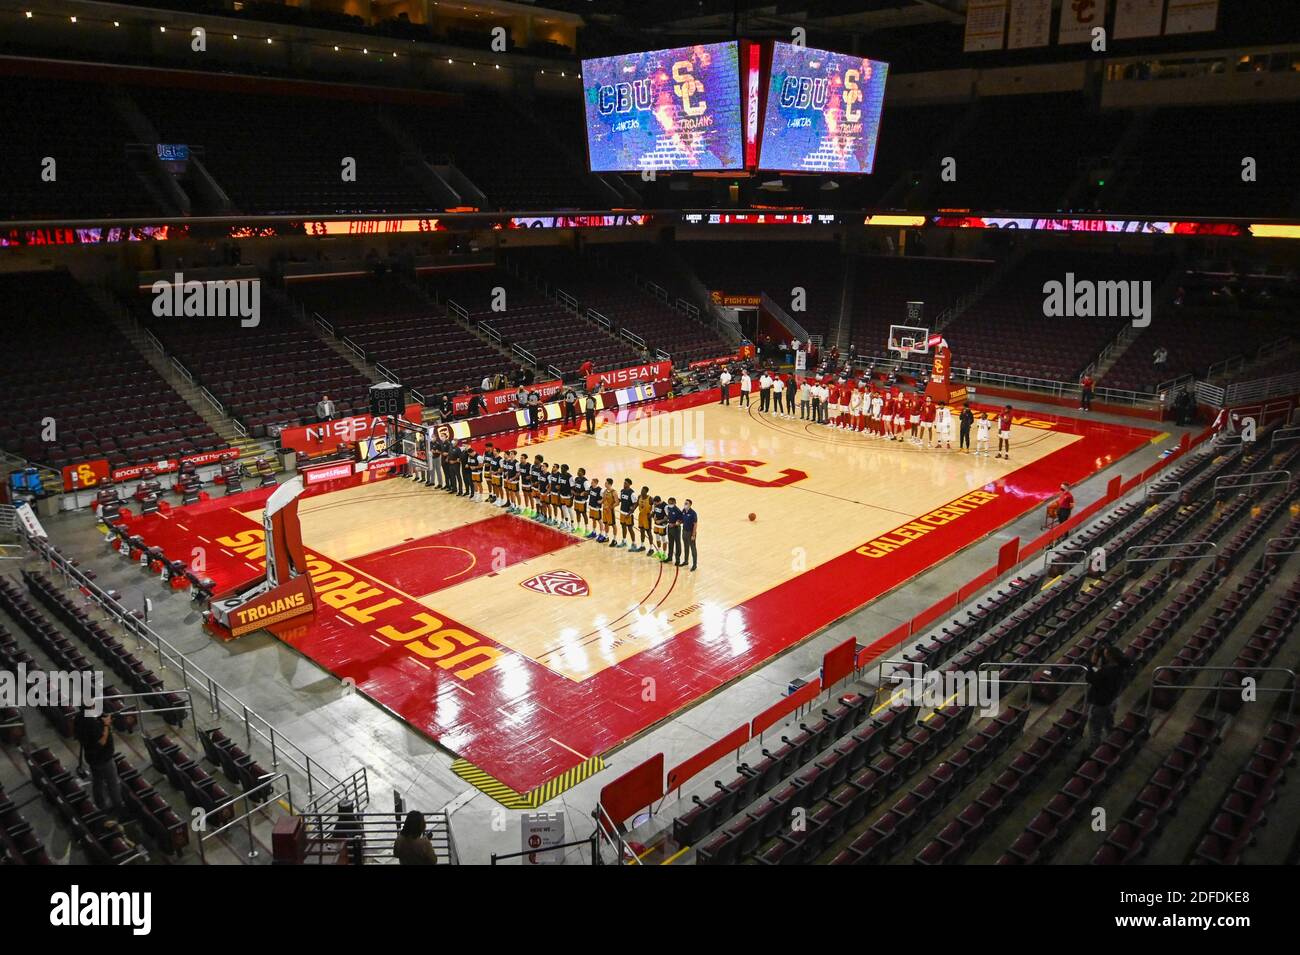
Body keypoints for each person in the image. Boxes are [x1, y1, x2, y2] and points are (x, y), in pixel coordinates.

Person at [77, 710, 125, 819]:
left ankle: (101, 806)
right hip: (103, 758)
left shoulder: (79, 717)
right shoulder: (91, 722)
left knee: (97, 782)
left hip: (91, 757)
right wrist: (106, 725)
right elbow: (102, 742)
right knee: (113, 784)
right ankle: (119, 810)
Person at [1085, 646, 1127, 749]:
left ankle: (1094, 751)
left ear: (1110, 657)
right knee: (1109, 724)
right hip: (1112, 701)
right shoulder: (1120, 668)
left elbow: (1090, 678)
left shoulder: (1106, 671)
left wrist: (1092, 663)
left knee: (1095, 729)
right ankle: (1112, 744)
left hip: (1100, 704)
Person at [617, 478, 637, 549]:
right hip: (622, 512)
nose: (624, 484)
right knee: (623, 527)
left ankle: (634, 543)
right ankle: (624, 541)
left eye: (625, 483)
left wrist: (630, 513)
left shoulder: (632, 493)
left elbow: (635, 503)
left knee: (630, 528)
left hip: (628, 514)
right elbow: (619, 500)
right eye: (624, 483)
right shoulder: (622, 491)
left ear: (629, 484)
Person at [680, 499, 698, 571]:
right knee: (685, 546)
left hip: (691, 532)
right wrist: (679, 522)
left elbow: (695, 524)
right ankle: (686, 561)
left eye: (686, 503)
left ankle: (694, 564)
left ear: (690, 505)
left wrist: (693, 534)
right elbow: (682, 520)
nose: (685, 504)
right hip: (684, 531)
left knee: (693, 548)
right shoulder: (683, 511)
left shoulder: (693, 513)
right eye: (685, 503)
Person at [665, 497, 683, 566]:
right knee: (670, 543)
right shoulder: (668, 508)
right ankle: (669, 557)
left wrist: (674, 524)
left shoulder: (677, 510)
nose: (669, 504)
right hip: (669, 527)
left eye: (671, 503)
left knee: (677, 544)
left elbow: (681, 520)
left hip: (676, 529)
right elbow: (668, 516)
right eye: (669, 503)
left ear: (675, 503)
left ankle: (677, 559)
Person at [636, 486, 653, 555]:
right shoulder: (639, 496)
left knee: (648, 532)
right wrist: (631, 511)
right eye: (641, 490)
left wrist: (651, 515)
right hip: (641, 516)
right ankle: (642, 545)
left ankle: (651, 548)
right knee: (641, 531)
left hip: (647, 517)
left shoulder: (650, 498)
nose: (641, 491)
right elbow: (636, 504)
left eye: (643, 491)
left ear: (646, 492)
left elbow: (654, 507)